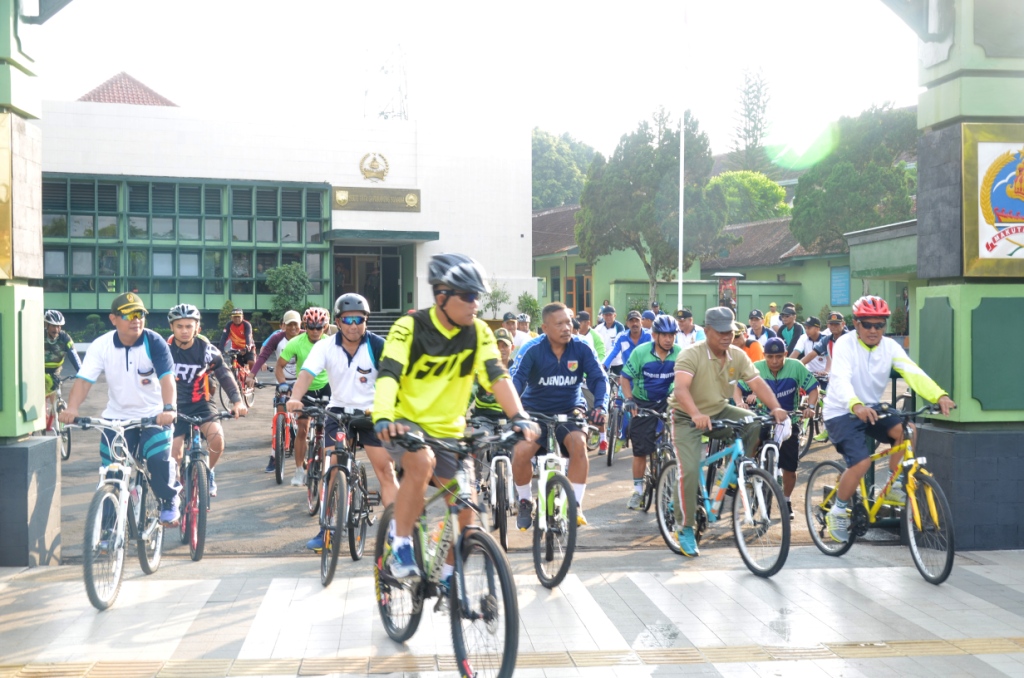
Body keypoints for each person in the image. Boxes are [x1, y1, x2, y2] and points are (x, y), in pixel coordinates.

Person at [373, 253, 539, 582]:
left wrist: (518, 415)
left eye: (477, 296)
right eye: (468, 296)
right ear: (441, 296)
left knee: (467, 518)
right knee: (421, 462)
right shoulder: (410, 327)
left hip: (451, 433)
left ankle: (448, 577)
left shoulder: (479, 333)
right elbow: (389, 373)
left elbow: (497, 377)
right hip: (407, 426)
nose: (475, 304)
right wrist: (382, 416)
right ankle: (401, 544)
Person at [823, 296, 955, 544]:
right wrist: (855, 404)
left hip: (872, 407)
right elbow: (840, 379)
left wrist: (940, 395)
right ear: (856, 323)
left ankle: (895, 486)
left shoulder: (890, 347)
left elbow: (913, 372)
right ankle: (838, 510)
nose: (874, 330)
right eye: (867, 324)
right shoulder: (844, 344)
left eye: (880, 325)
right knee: (861, 463)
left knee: (908, 431)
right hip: (841, 410)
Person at [669, 306, 790, 557]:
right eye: (721, 332)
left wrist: (776, 408)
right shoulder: (691, 354)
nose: (727, 336)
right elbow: (681, 390)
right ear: (708, 330)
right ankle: (685, 528)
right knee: (690, 469)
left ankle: (734, 471)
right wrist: (695, 414)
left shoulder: (737, 355)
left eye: (731, 332)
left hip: (719, 410)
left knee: (754, 421)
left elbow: (757, 383)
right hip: (686, 416)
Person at [288, 293, 399, 551]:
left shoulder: (378, 345)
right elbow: (306, 373)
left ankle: (397, 532)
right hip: (338, 413)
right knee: (333, 467)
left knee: (386, 471)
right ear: (338, 321)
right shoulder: (325, 346)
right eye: (348, 320)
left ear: (366, 321)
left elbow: (394, 379)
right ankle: (327, 528)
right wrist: (295, 398)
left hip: (371, 414)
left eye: (359, 320)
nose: (353, 325)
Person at [59, 293, 181, 524]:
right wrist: (72, 408)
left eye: (141, 314)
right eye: (130, 315)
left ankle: (168, 500)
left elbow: (167, 379)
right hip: (116, 418)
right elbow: (84, 380)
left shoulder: (154, 342)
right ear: (113, 319)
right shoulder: (102, 345)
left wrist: (168, 409)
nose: (137, 320)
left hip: (154, 416)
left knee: (157, 459)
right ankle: (108, 530)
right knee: (112, 473)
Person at [510, 302, 607, 527]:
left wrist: (600, 407)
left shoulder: (582, 347)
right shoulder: (531, 349)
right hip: (534, 412)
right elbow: (515, 379)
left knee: (579, 445)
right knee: (522, 452)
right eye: (560, 324)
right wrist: (515, 414)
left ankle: (574, 504)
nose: (567, 328)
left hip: (570, 409)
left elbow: (598, 378)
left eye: (569, 322)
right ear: (545, 328)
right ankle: (525, 500)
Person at [166, 304, 247, 498]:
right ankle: (175, 491)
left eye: (189, 326)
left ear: (197, 328)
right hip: (173, 406)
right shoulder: (164, 350)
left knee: (217, 439)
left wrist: (237, 401)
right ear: (172, 327)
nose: (184, 330)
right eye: (179, 326)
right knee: (174, 453)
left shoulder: (207, 351)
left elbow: (224, 375)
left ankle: (208, 472)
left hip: (201, 403)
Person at [740, 337, 818, 520]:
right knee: (749, 449)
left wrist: (811, 408)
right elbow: (738, 387)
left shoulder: (796, 366)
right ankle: (747, 475)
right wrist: (739, 402)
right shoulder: (756, 367)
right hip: (763, 418)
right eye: (770, 357)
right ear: (764, 356)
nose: (774, 361)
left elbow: (813, 389)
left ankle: (786, 500)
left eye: (778, 356)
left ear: (785, 354)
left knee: (790, 468)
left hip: (788, 421)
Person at [621, 315, 680, 510]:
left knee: (680, 441)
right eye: (664, 335)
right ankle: (638, 491)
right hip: (642, 403)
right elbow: (625, 378)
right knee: (640, 451)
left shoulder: (680, 353)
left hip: (667, 402)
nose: (668, 339)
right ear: (654, 335)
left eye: (671, 335)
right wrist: (629, 400)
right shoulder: (640, 352)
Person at [276, 307, 331, 487]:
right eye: (311, 327)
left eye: (319, 327)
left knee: (332, 429)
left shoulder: (331, 343)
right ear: (305, 327)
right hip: (305, 389)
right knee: (302, 429)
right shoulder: (296, 343)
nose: (315, 331)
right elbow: (279, 366)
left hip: (326, 388)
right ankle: (299, 470)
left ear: (325, 327)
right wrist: (283, 384)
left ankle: (329, 467)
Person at [250, 309, 303, 474]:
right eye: (289, 324)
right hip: (283, 381)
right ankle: (274, 456)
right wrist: (252, 375)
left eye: (296, 324)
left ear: (300, 325)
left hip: (303, 382)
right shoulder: (277, 338)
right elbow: (263, 356)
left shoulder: (306, 336)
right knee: (279, 412)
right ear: (283, 325)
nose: (293, 328)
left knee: (305, 419)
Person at [472, 327, 515, 421]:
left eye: (505, 345)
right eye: (497, 345)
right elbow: (470, 391)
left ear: (512, 348)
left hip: (509, 419)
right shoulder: (482, 367)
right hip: (483, 417)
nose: (501, 349)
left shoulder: (519, 369)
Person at [43, 310, 82, 408]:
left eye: (59, 326)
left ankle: (55, 413)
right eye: (53, 326)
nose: (56, 330)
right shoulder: (39, 335)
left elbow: (73, 353)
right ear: (46, 325)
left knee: (55, 393)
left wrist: (81, 371)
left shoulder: (64, 337)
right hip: (40, 369)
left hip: (55, 370)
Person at [603, 310, 652, 375]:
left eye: (637, 321)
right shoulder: (621, 336)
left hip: (647, 376)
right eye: (631, 321)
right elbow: (612, 351)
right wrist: (603, 366)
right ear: (627, 324)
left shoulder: (650, 335)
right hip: (628, 376)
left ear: (641, 322)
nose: (634, 323)